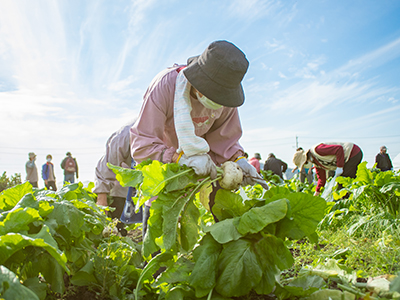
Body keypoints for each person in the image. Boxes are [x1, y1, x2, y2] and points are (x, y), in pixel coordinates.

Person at [130, 40, 268, 234]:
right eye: (212, 93)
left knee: (224, 207)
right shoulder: (165, 87)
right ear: (197, 80)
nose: (217, 101)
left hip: (206, 163)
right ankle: (157, 261)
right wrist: (179, 159)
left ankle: (222, 255)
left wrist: (239, 160)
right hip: (165, 164)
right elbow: (142, 142)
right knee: (159, 222)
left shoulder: (226, 100)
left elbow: (225, 138)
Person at [93, 120, 140, 237]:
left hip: (152, 186)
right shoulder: (126, 133)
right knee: (116, 223)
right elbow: (107, 166)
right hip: (123, 187)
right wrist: (102, 197)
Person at [293, 142, 363, 196]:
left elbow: (339, 149)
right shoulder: (316, 163)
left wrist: (339, 167)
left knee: (342, 183)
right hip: (347, 159)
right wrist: (317, 193)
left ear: (306, 159)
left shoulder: (317, 150)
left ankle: (348, 205)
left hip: (352, 152)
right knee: (346, 184)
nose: (306, 165)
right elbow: (321, 179)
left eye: (304, 164)